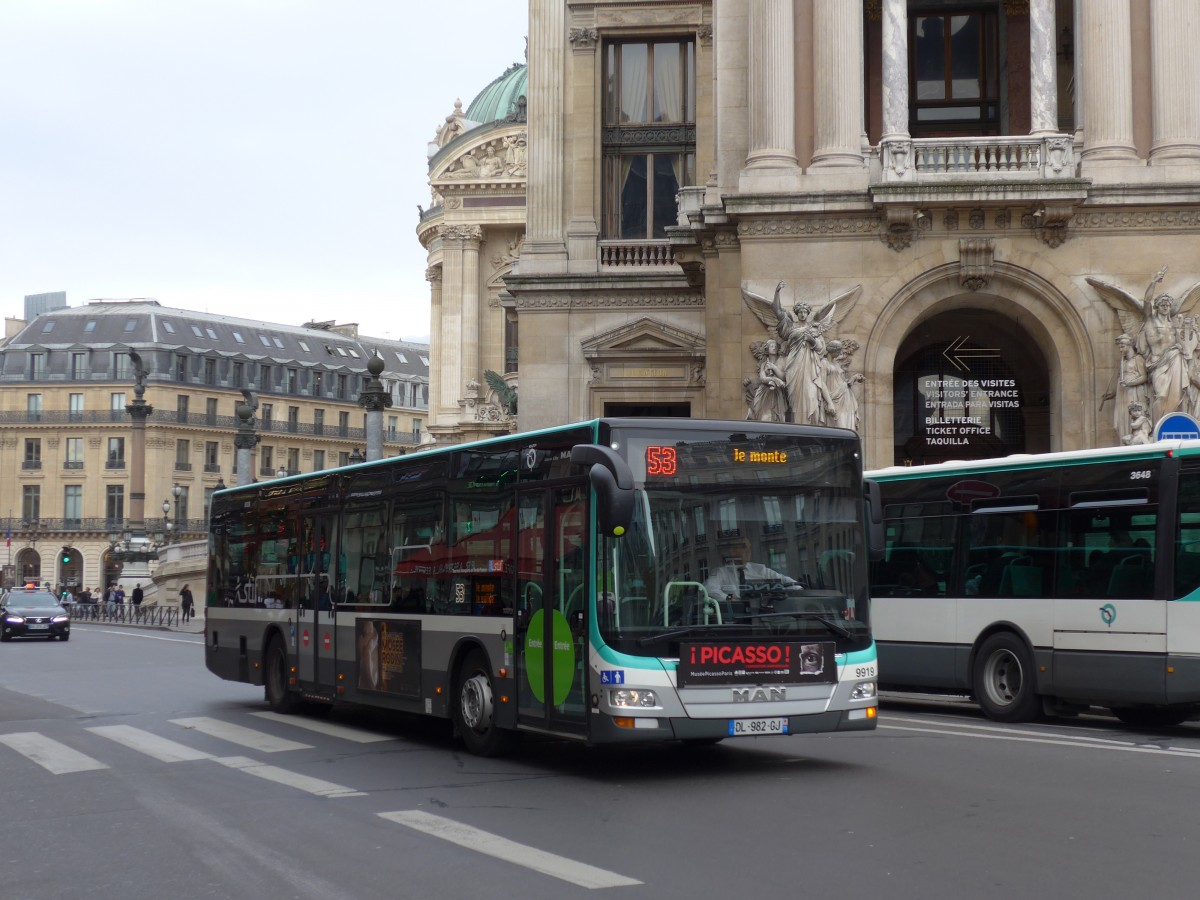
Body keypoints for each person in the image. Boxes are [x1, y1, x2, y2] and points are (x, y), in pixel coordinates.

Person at [703, 536, 798, 615]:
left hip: (761, 616)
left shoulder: (760, 570)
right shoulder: (721, 572)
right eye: (744, 547)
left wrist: (797, 589)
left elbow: (787, 581)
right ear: (732, 551)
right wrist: (729, 598)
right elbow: (708, 588)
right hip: (735, 616)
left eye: (749, 547)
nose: (748, 551)